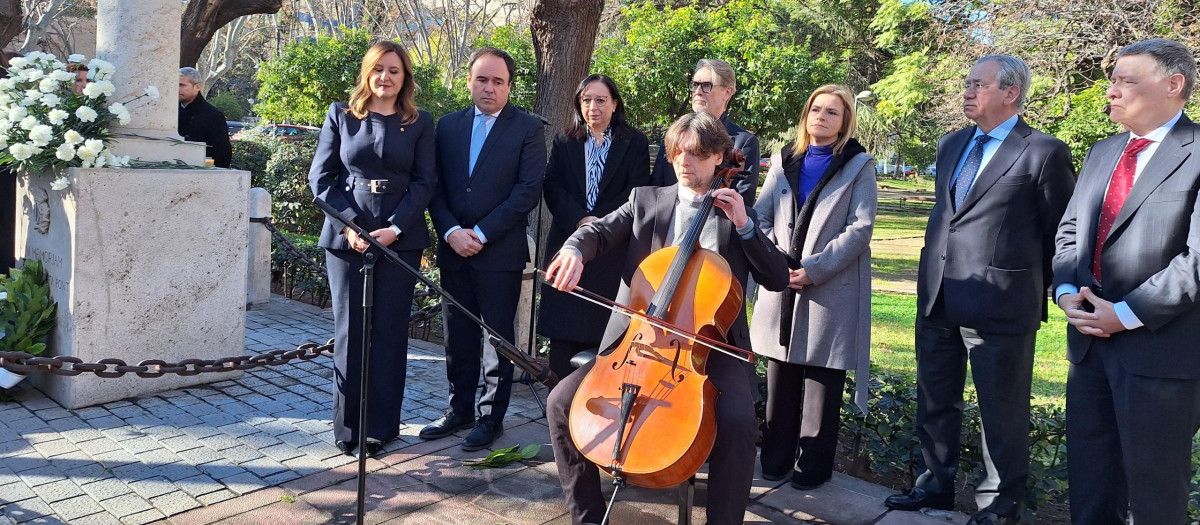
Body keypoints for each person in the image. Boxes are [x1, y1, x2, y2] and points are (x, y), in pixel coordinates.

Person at [543, 112, 790, 525]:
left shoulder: (736, 213)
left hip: (713, 347)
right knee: (559, 403)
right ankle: (586, 517)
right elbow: (598, 233)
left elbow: (778, 277)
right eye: (678, 152)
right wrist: (572, 250)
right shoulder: (646, 200)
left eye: (696, 154)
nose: (684, 162)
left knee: (738, 421)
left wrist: (745, 225)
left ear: (719, 158)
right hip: (638, 342)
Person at [884, 55, 1075, 524]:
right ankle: (933, 487)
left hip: (1002, 307)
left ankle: (997, 508)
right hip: (937, 297)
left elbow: (1062, 231)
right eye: (966, 83)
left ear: (1010, 93)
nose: (966, 92)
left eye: (977, 84)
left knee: (1001, 415)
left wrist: (1047, 287)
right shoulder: (951, 144)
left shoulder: (1043, 151)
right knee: (935, 400)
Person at [1053, 38, 1200, 525]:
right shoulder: (1102, 151)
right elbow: (1071, 230)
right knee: (1091, 485)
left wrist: (1127, 314)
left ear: (1173, 85)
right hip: (1089, 347)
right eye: (1112, 80)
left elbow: (1195, 259)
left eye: (1125, 80)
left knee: (1157, 495)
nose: (1111, 91)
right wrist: (1066, 289)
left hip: (1161, 354)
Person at [308, 41, 436, 459]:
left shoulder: (419, 122)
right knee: (350, 332)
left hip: (400, 237)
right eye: (379, 69)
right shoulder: (341, 116)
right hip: (347, 237)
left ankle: (382, 428)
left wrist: (395, 228)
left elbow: (425, 182)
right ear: (367, 73)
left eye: (394, 70)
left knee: (389, 332)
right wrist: (352, 226)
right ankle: (348, 429)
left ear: (406, 78)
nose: (386, 77)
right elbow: (322, 179)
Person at [748, 84, 876, 490]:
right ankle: (775, 459)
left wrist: (813, 269)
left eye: (832, 112)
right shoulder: (783, 161)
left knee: (822, 382)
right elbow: (761, 216)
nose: (821, 116)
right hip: (779, 283)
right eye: (816, 109)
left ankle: (812, 469)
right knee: (779, 379)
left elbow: (861, 229)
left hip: (830, 289)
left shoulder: (859, 165)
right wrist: (777, 263)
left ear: (845, 122)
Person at [422, 47, 546, 451]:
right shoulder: (448, 126)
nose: (489, 87)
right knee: (456, 333)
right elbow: (433, 185)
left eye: (497, 81)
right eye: (482, 79)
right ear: (469, 81)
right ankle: (459, 408)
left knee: (497, 337)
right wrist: (452, 230)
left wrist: (481, 232)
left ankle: (491, 417)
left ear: (510, 86)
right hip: (454, 247)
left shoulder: (527, 128)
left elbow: (527, 190)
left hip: (499, 251)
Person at [536, 74, 650, 380]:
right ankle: (558, 407)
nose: (593, 107)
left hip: (612, 249)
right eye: (586, 100)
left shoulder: (634, 143)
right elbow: (553, 185)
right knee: (564, 334)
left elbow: (636, 191)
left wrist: (600, 221)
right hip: (570, 241)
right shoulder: (565, 140)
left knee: (603, 336)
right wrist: (580, 219)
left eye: (600, 100)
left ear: (614, 103)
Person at [650, 59, 759, 206]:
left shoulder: (744, 142)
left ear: (727, 92)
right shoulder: (675, 134)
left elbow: (742, 202)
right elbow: (657, 186)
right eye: (695, 85)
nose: (697, 92)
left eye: (706, 85)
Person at [178, 66, 232, 168]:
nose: (177, 89)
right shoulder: (171, 111)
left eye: (182, 85)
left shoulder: (213, 115)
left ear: (197, 87)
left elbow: (222, 154)